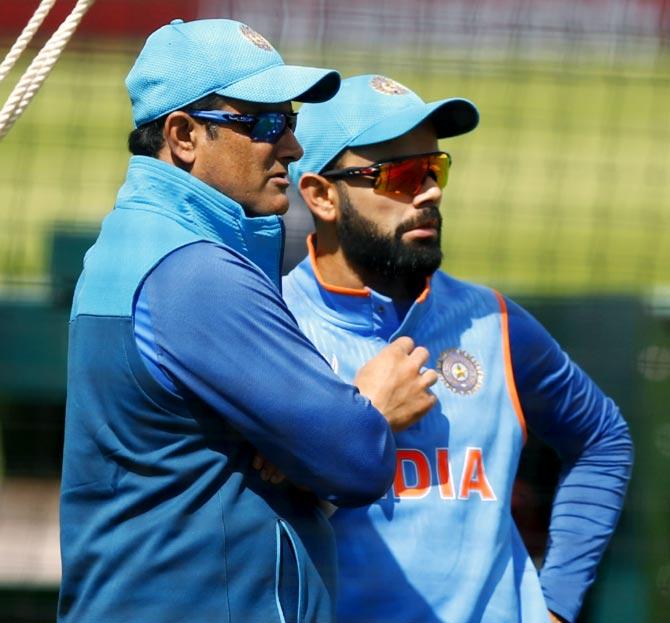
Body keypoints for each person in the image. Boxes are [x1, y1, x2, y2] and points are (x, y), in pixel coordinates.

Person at [57, 22, 439, 623]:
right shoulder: (196, 273)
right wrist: (370, 404)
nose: (289, 145)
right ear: (184, 137)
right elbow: (355, 456)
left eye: (288, 121)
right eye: (263, 124)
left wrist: (303, 441)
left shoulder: (139, 240)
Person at [282, 74, 634, 623]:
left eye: (434, 168)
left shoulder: (493, 322)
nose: (429, 192)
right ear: (322, 196)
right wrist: (362, 426)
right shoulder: (272, 327)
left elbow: (603, 439)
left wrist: (556, 604)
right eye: (400, 176)